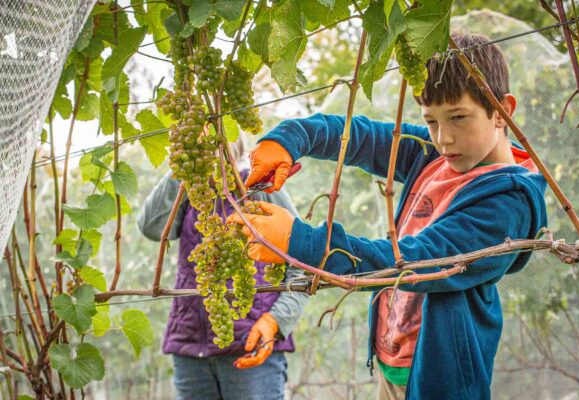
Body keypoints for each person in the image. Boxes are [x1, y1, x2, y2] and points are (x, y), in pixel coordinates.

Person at [227, 33, 548, 400]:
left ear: (502, 110)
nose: (444, 138)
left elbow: (420, 261)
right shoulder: (432, 156)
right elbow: (359, 137)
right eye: (432, 121)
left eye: (458, 117)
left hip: (440, 382)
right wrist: (289, 138)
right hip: (392, 364)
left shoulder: (509, 201)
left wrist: (303, 242)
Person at [137, 140, 308, 400]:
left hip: (251, 345)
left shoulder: (257, 187)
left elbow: (304, 260)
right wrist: (184, 162)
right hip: (190, 347)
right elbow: (152, 227)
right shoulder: (195, 193)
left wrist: (277, 320)